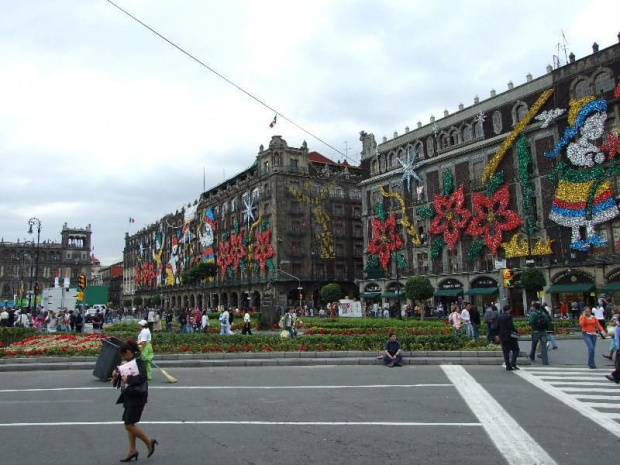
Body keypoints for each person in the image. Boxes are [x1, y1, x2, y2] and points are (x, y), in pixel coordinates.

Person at [111, 340, 158, 462]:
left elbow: (143, 377)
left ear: (129, 352)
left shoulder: (138, 361)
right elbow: (121, 379)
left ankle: (149, 441)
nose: (123, 358)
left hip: (137, 395)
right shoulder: (128, 362)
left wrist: (129, 379)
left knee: (128, 425)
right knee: (130, 423)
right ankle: (132, 450)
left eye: (124, 355)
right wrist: (116, 375)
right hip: (129, 395)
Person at [497, 305, 520, 371]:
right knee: (516, 349)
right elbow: (511, 326)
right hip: (509, 336)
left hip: (502, 336)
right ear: (509, 309)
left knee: (506, 351)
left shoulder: (500, 316)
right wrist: (516, 331)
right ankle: (513, 363)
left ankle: (508, 365)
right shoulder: (509, 316)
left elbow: (498, 326)